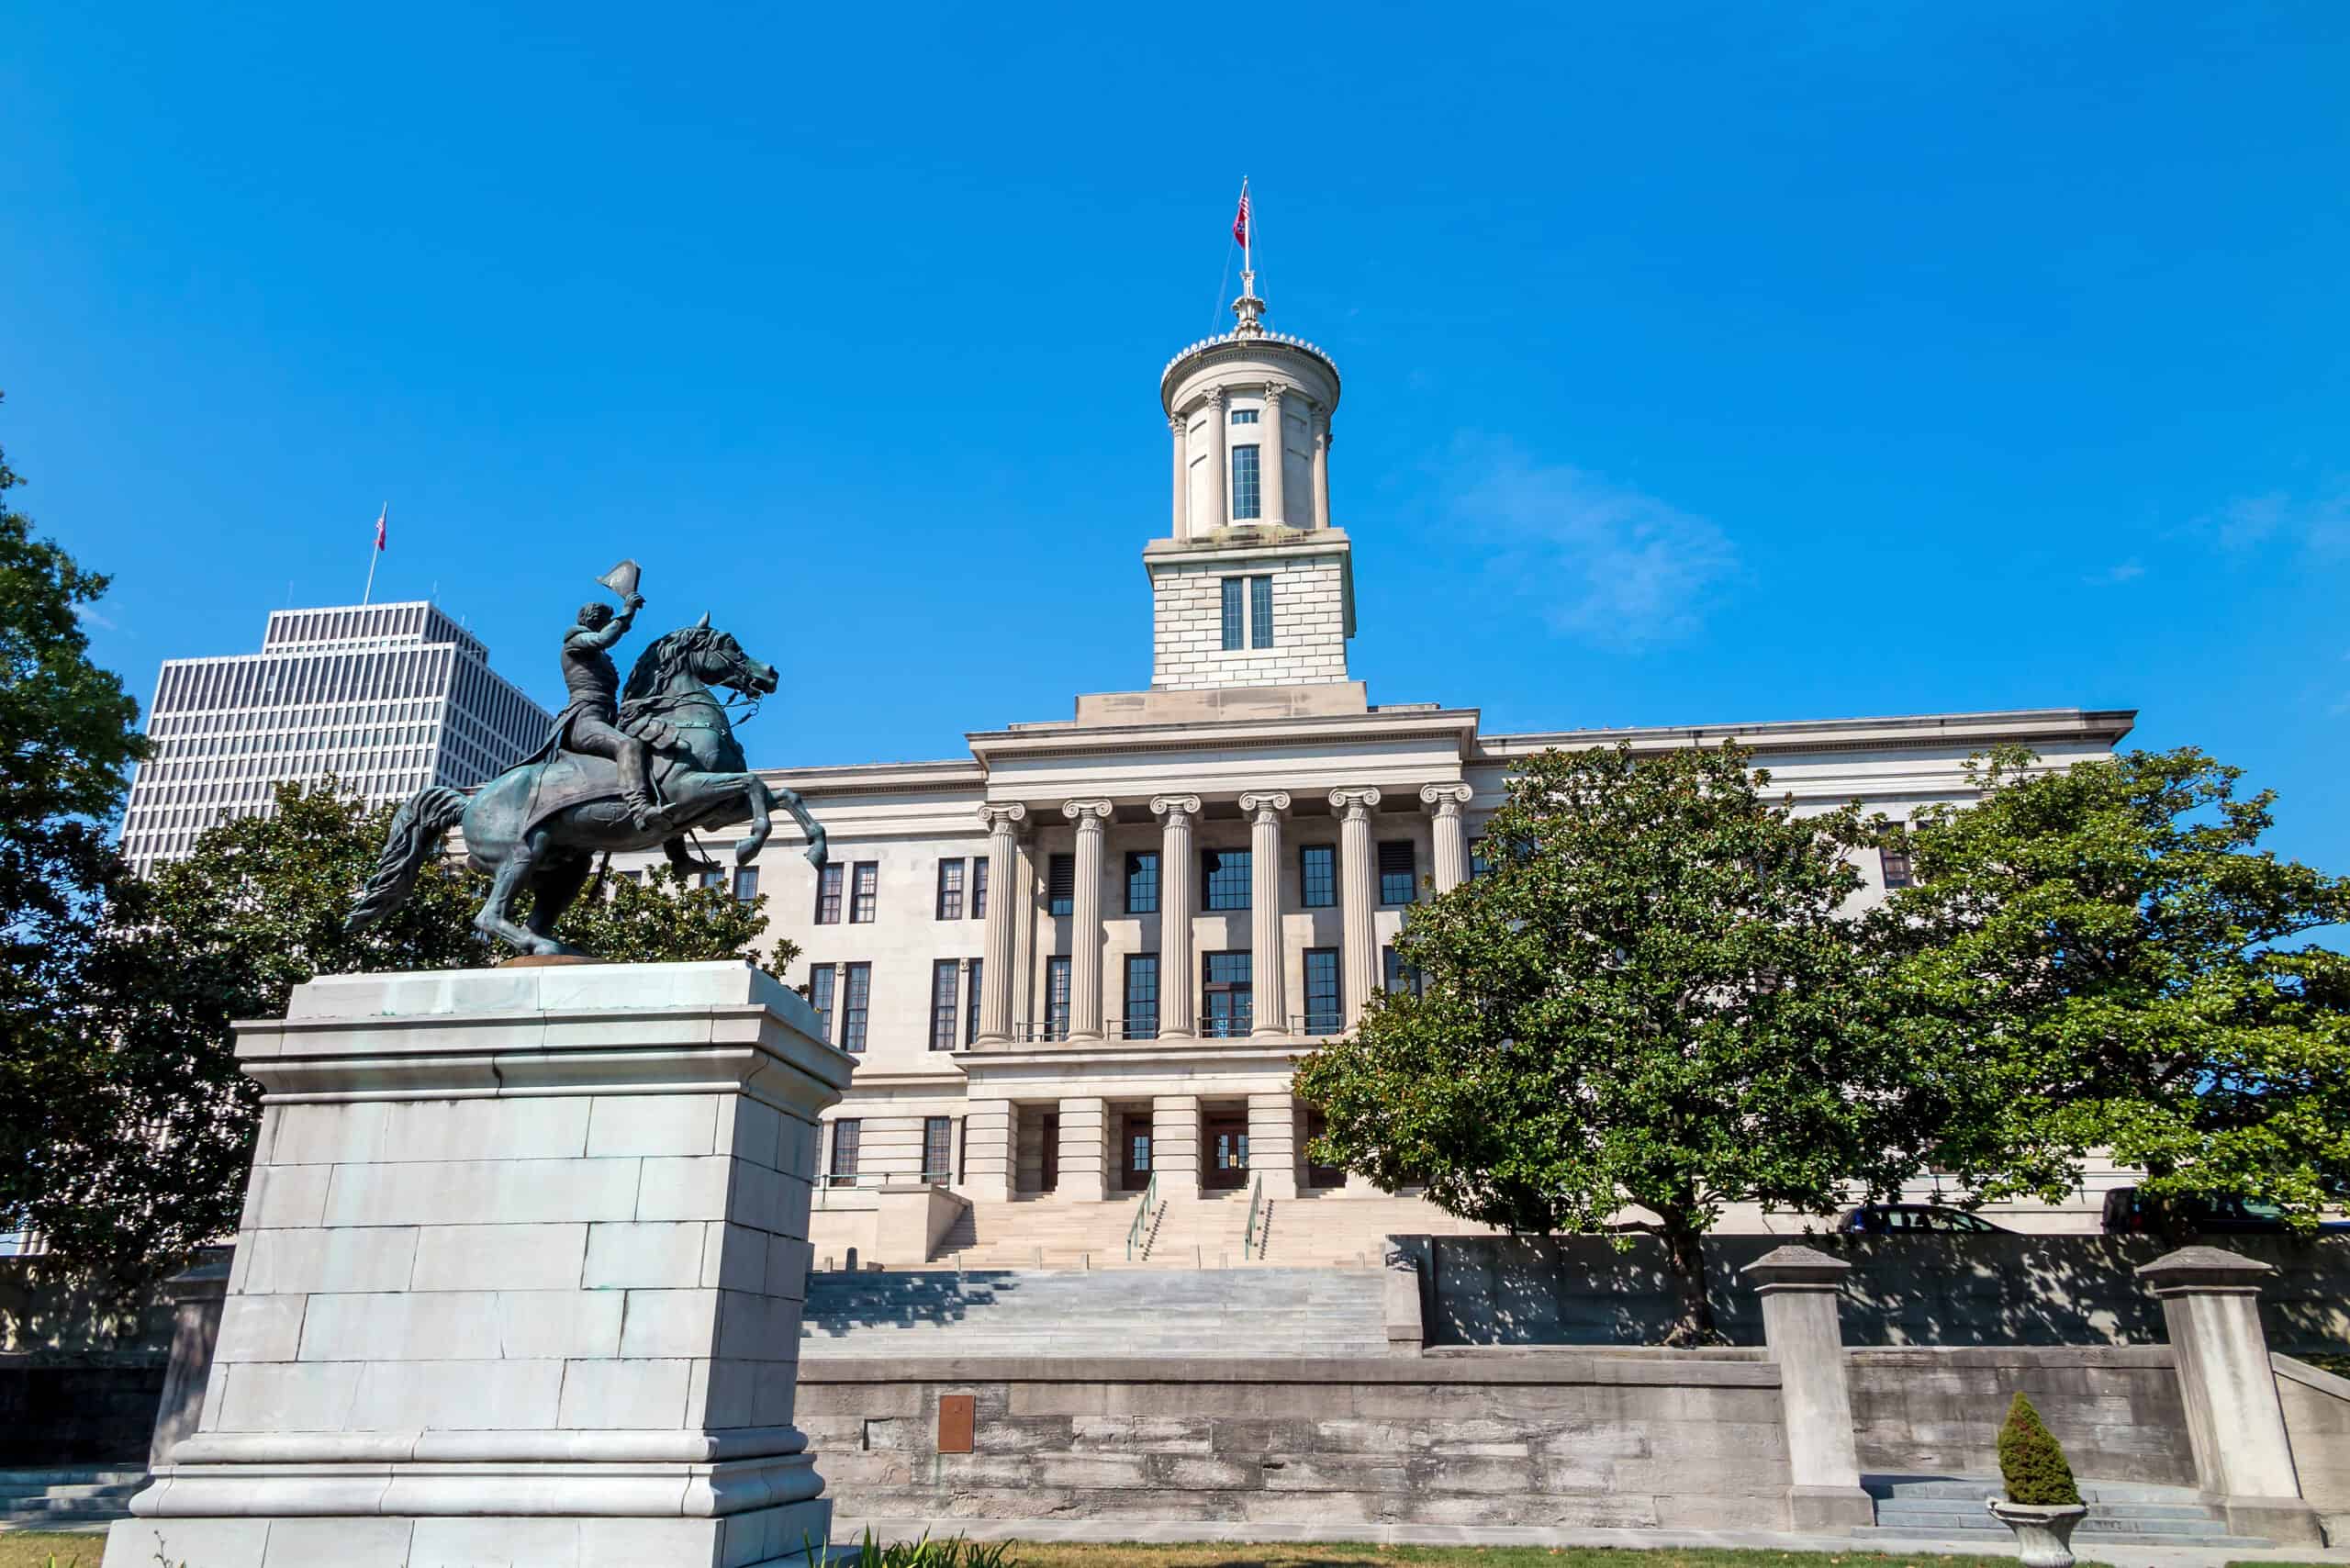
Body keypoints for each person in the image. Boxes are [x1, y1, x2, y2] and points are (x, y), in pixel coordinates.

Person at [552, 591, 669, 832]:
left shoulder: (597, 654)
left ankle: (677, 852)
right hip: (584, 719)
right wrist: (627, 612)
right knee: (629, 746)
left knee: (656, 756)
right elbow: (603, 639)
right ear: (593, 621)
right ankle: (639, 809)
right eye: (605, 621)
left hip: (607, 717)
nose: (608, 624)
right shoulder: (575, 642)